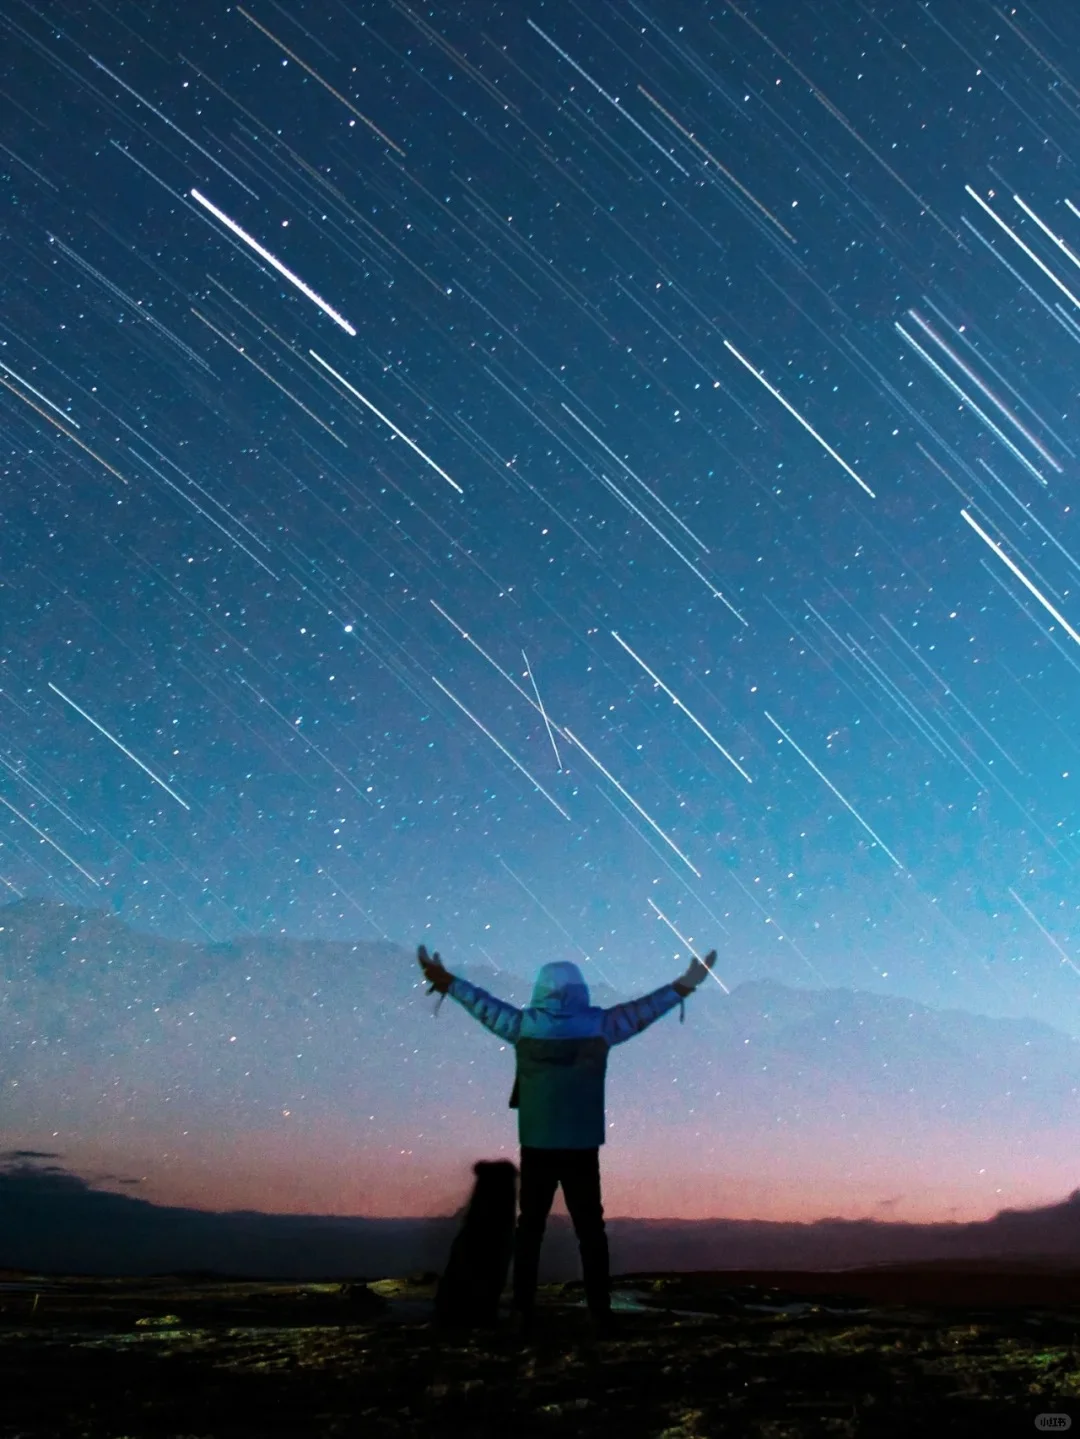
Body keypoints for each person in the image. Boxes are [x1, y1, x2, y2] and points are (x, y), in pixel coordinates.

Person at [417, 941, 716, 1342]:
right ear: (581, 990)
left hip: (538, 1143)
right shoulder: (600, 1026)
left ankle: (523, 1312)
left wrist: (449, 982)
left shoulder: (523, 1026)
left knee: (530, 1231)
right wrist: (684, 985)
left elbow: (483, 1005)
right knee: (590, 1230)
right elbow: (645, 1010)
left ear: (540, 989)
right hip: (582, 1145)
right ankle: (600, 1313)